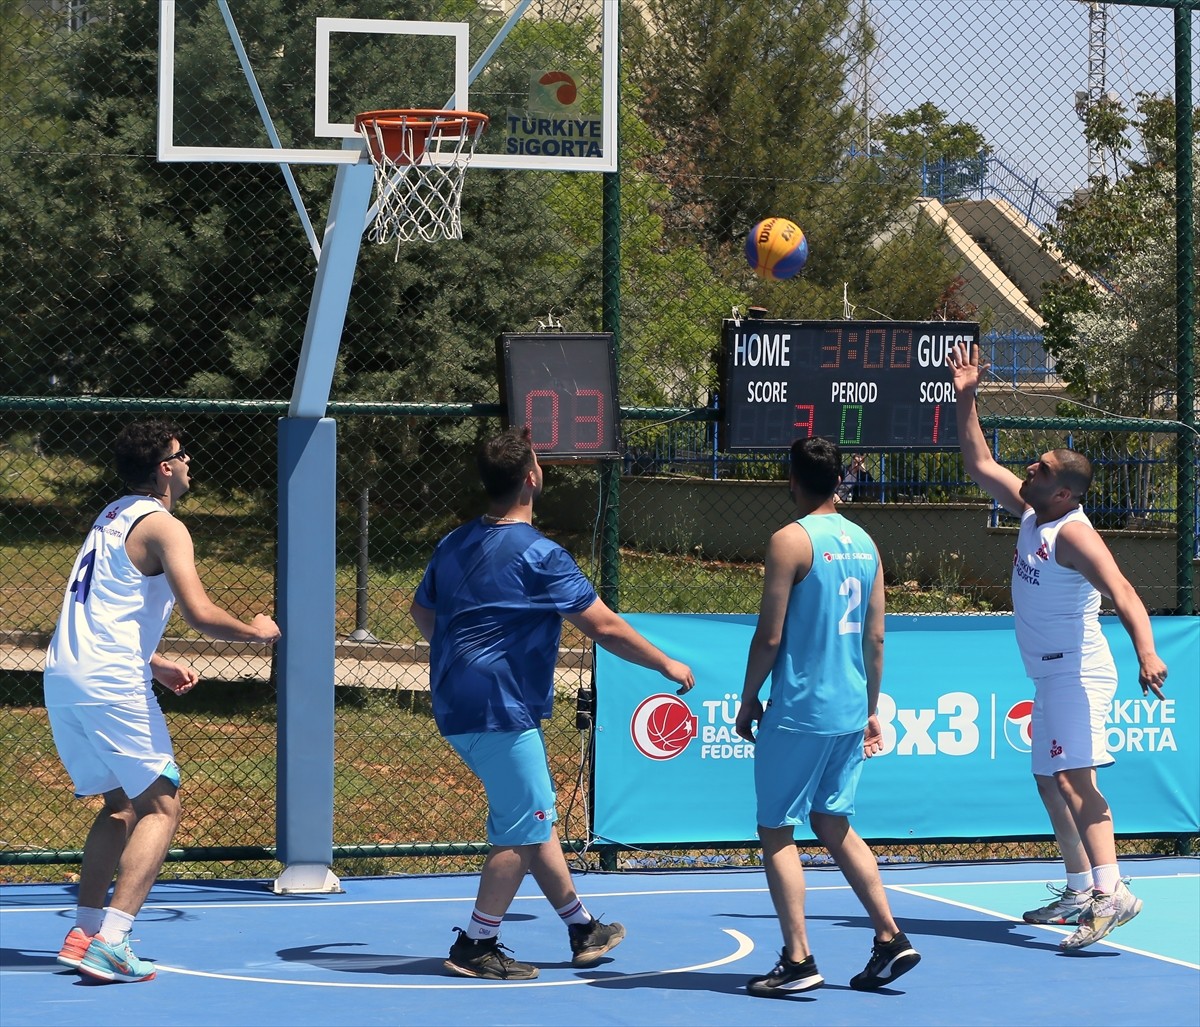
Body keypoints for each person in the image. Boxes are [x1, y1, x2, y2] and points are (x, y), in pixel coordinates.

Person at [409, 426, 695, 981]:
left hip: (459, 701)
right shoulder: (541, 555)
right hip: (500, 707)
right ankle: (477, 942)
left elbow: (425, 615)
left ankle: (581, 926)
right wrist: (666, 664)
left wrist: (464, 653)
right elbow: (605, 627)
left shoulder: (453, 542)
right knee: (521, 827)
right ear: (532, 478)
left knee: (535, 816)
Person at [947, 342, 1168, 951]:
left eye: (1042, 469)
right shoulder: (1030, 511)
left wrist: (1147, 651)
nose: (1030, 470)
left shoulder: (1072, 534)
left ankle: (1111, 892)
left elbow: (1123, 589)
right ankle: (1077, 889)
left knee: (1075, 781)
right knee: (1049, 781)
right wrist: (965, 394)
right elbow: (976, 461)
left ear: (1066, 493)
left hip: (1079, 673)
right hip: (1048, 676)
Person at [44, 420, 281, 983]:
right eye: (183, 454)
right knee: (161, 805)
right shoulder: (165, 526)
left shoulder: (109, 518)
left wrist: (155, 661)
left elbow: (101, 610)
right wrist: (256, 630)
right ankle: (114, 940)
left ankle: (83, 930)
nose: (190, 462)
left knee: (120, 807)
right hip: (108, 683)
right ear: (164, 468)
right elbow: (201, 614)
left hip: (65, 676)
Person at [735, 436, 920, 998]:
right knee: (834, 823)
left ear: (792, 479)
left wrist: (748, 699)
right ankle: (889, 937)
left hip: (800, 708)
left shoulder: (791, 540)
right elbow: (876, 636)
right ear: (839, 478)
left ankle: (797, 959)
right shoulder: (865, 542)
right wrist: (870, 710)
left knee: (776, 828)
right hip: (846, 708)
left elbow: (770, 636)